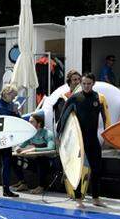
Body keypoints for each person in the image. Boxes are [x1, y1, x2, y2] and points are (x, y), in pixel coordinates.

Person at [62, 73, 110, 209]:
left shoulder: (99, 98)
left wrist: (107, 137)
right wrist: (61, 137)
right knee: (78, 169)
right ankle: (78, 199)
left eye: (89, 83)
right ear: (80, 84)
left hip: (93, 140)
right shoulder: (74, 98)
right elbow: (64, 118)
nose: (86, 86)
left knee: (96, 169)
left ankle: (96, 198)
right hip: (78, 141)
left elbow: (107, 119)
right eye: (84, 84)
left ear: (93, 83)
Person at [13, 112, 53, 195]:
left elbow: (51, 148)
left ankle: (41, 186)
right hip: (34, 163)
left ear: (39, 123)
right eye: (29, 121)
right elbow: (21, 145)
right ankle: (23, 183)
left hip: (48, 164)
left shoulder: (47, 133)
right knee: (13, 159)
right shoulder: (31, 134)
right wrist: (18, 148)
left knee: (41, 159)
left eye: (31, 122)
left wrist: (34, 150)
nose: (29, 123)